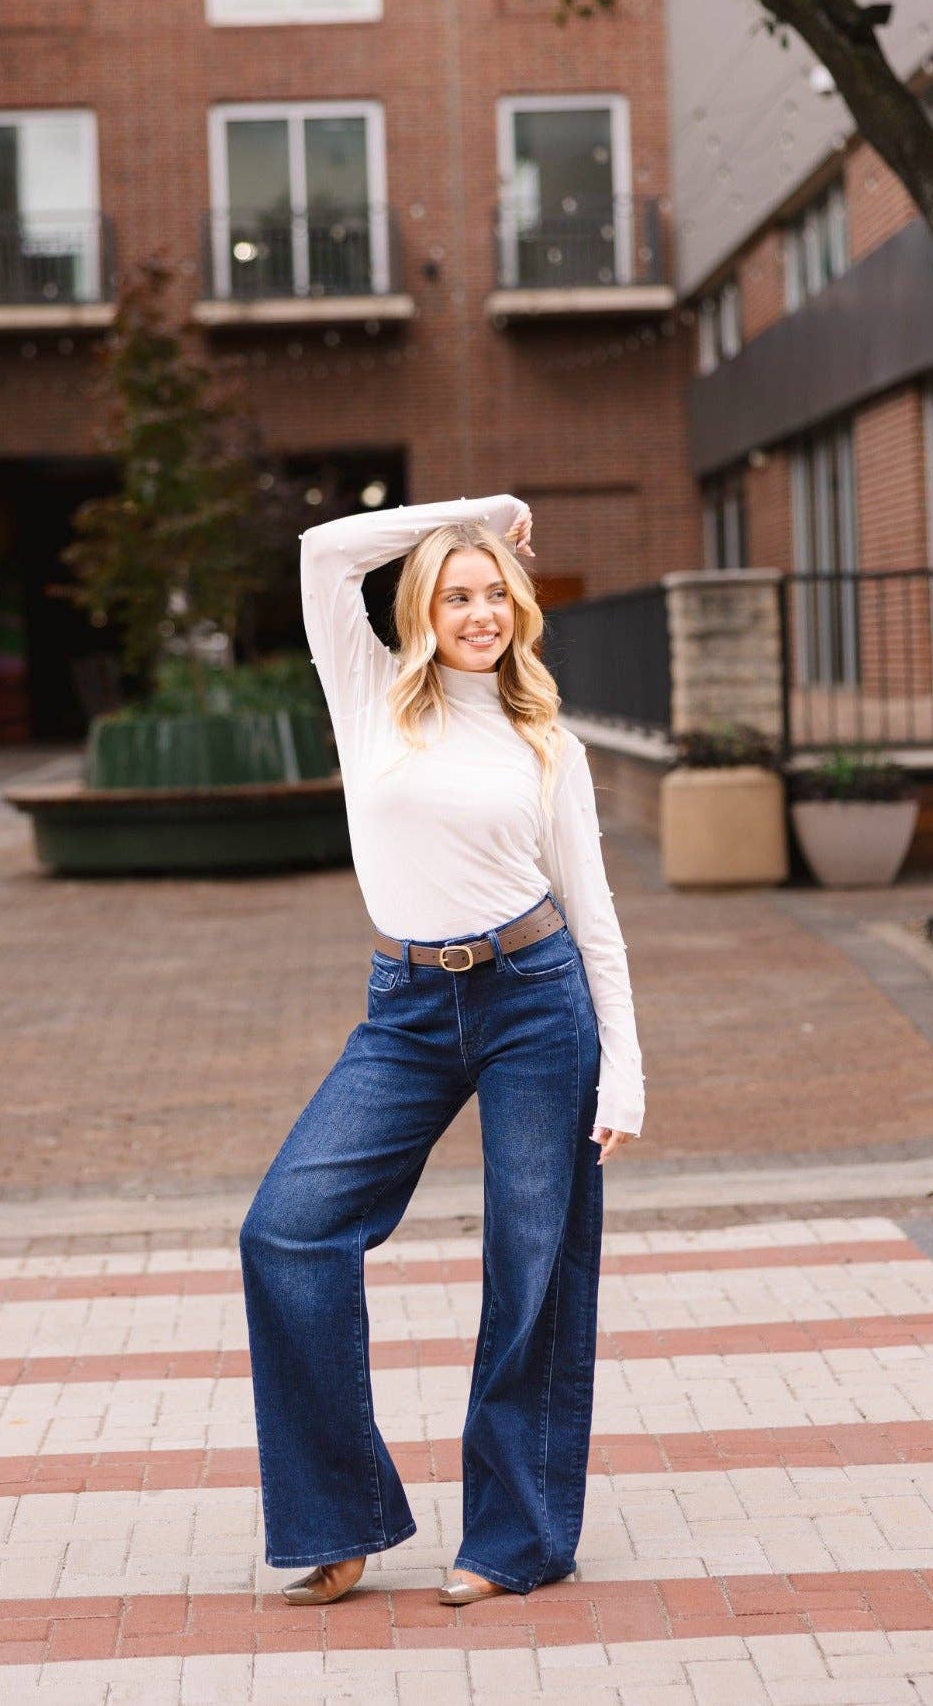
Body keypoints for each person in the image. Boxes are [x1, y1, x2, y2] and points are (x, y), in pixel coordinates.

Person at [239, 492, 646, 1609]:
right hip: (406, 1009)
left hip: (534, 999)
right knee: (286, 1228)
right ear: (422, 606)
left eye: (494, 595)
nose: (480, 613)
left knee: (532, 1269)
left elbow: (594, 910)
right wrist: (486, 513)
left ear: (520, 609)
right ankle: (338, 1519)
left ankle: (517, 1537)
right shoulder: (369, 693)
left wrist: (628, 1066)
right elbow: (323, 547)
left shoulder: (546, 741)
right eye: (457, 595)